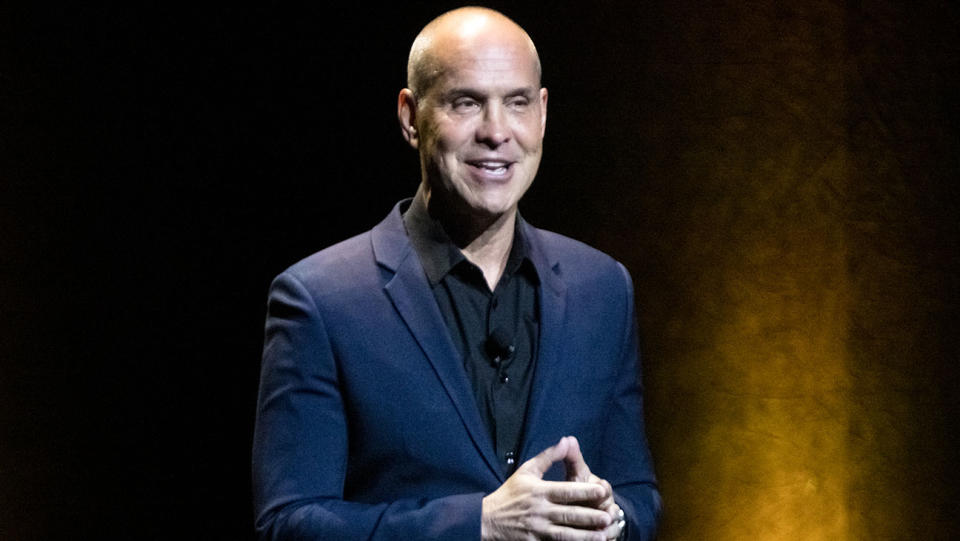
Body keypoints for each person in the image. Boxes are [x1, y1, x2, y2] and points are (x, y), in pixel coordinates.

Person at [252, 7, 661, 540]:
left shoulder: (602, 288)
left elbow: (640, 496)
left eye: (516, 103)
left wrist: (612, 520)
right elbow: (288, 523)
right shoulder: (321, 300)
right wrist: (479, 524)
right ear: (410, 117)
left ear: (542, 114)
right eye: (466, 103)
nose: (496, 132)